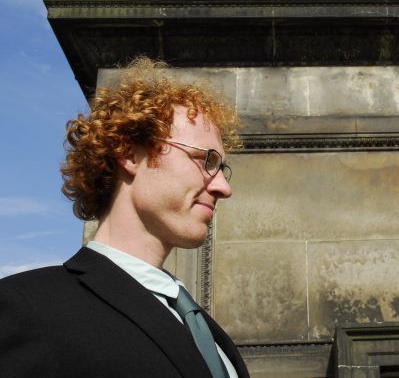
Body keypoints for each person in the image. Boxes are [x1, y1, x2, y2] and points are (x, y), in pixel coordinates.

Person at [0, 57, 250, 378]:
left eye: (222, 168)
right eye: (206, 160)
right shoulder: (25, 308)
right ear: (130, 153)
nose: (224, 187)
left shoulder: (213, 337)